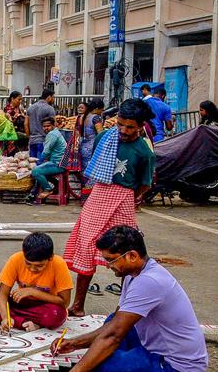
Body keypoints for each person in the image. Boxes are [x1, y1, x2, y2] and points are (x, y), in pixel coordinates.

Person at [46, 226, 207, 372]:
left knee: (102, 364)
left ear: (132, 256)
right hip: (157, 348)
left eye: (111, 260)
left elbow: (113, 335)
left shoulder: (148, 282)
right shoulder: (134, 274)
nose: (108, 266)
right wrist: (75, 343)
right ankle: (128, 367)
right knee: (112, 323)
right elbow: (114, 324)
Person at [64, 99, 156, 317]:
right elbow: (95, 165)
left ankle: (123, 308)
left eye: (130, 127)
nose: (124, 131)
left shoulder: (145, 152)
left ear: (141, 126)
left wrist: (129, 197)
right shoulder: (104, 137)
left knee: (125, 253)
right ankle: (78, 304)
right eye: (120, 125)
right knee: (87, 245)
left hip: (124, 198)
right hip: (99, 192)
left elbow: (145, 183)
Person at [0, 232, 71, 332]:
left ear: (51, 258)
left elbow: (65, 302)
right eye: (28, 263)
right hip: (20, 302)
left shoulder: (58, 264)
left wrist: (33, 292)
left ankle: (10, 319)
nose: (32, 269)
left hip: (45, 306)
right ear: (23, 254)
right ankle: (19, 322)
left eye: (39, 266)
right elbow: (2, 294)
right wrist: (5, 317)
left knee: (55, 315)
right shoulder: (16, 259)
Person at [29, 116, 68, 204]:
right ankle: (56, 186)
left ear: (53, 125)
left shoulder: (52, 134)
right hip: (60, 162)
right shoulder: (55, 132)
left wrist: (38, 162)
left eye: (48, 126)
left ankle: (48, 189)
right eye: (44, 126)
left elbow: (46, 152)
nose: (46, 128)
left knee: (35, 171)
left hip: (58, 164)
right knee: (41, 169)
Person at [26, 89, 56, 159]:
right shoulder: (49, 108)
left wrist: (29, 136)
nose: (53, 99)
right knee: (41, 164)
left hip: (32, 141)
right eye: (53, 97)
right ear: (49, 97)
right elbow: (54, 125)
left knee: (32, 164)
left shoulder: (30, 108)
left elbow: (26, 124)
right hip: (43, 140)